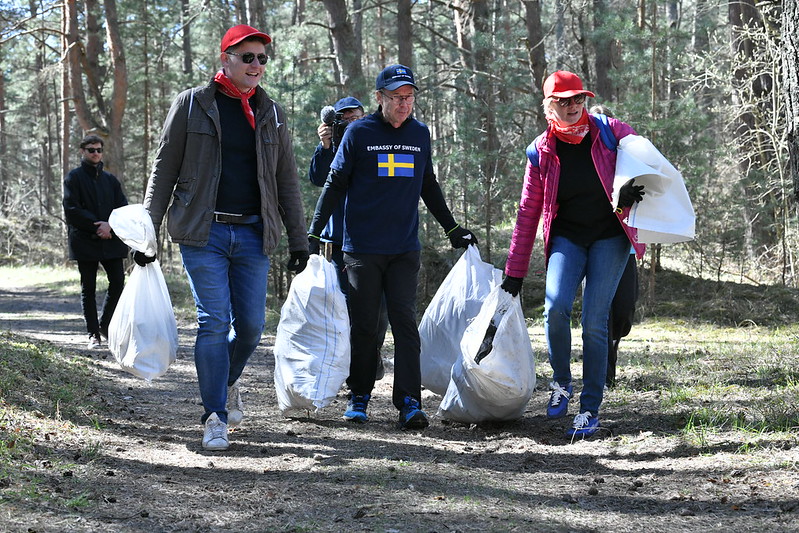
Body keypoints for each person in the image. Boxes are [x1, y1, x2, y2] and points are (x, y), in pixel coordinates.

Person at [143, 24, 308, 452]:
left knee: (252, 327)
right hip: (204, 231)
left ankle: (225, 381)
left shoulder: (272, 111)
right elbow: (164, 170)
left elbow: (286, 178)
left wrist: (299, 239)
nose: (256, 65)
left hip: (254, 233)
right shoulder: (193, 105)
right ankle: (214, 415)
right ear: (226, 60)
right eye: (247, 57)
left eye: (262, 59)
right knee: (214, 322)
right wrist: (147, 230)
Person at [308, 64, 477, 430]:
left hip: (403, 248)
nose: (404, 104)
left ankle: (409, 402)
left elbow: (427, 184)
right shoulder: (358, 132)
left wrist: (451, 228)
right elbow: (334, 184)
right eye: (397, 97)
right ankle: (359, 396)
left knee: (405, 325)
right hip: (362, 249)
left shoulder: (419, 134)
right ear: (380, 98)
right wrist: (313, 231)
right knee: (366, 325)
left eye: (409, 97)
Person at [500, 71, 645, 438]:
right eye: (562, 101)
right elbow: (527, 213)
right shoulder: (541, 151)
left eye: (577, 99)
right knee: (555, 307)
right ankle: (562, 384)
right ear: (549, 105)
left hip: (611, 235)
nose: (571, 107)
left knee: (595, 320)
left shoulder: (611, 131)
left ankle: (590, 407)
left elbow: (646, 163)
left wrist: (628, 188)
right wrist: (514, 270)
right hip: (568, 236)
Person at [308, 96, 389, 380]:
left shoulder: (372, 141)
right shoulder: (333, 147)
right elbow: (318, 178)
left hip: (371, 240)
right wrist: (326, 145)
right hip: (338, 243)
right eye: (343, 119)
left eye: (355, 117)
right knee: (342, 308)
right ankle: (349, 365)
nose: (350, 123)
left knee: (378, 308)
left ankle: (372, 352)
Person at [589, 104, 640, 389]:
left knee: (623, 314)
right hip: (593, 247)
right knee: (601, 315)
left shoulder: (627, 159)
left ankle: (613, 345)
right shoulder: (586, 160)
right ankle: (604, 376)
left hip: (625, 248)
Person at [63, 134, 129, 350]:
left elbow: (122, 206)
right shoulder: (73, 178)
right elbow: (72, 210)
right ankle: (93, 333)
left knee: (118, 283)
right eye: (91, 150)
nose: (96, 153)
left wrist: (109, 225)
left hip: (111, 239)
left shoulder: (110, 180)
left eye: (99, 150)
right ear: (82, 151)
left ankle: (105, 325)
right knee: (88, 288)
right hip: (85, 241)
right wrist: (96, 225)